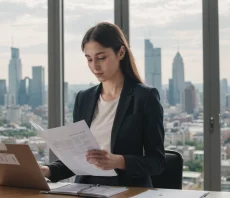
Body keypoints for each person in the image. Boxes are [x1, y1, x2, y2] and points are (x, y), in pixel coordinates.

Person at [40, 22, 166, 188]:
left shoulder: (145, 97)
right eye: (89, 59)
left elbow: (156, 162)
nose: (95, 66)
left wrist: (118, 161)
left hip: (128, 191)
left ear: (120, 52)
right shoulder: (83, 98)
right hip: (85, 189)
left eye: (101, 58)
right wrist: (46, 170)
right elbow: (79, 158)